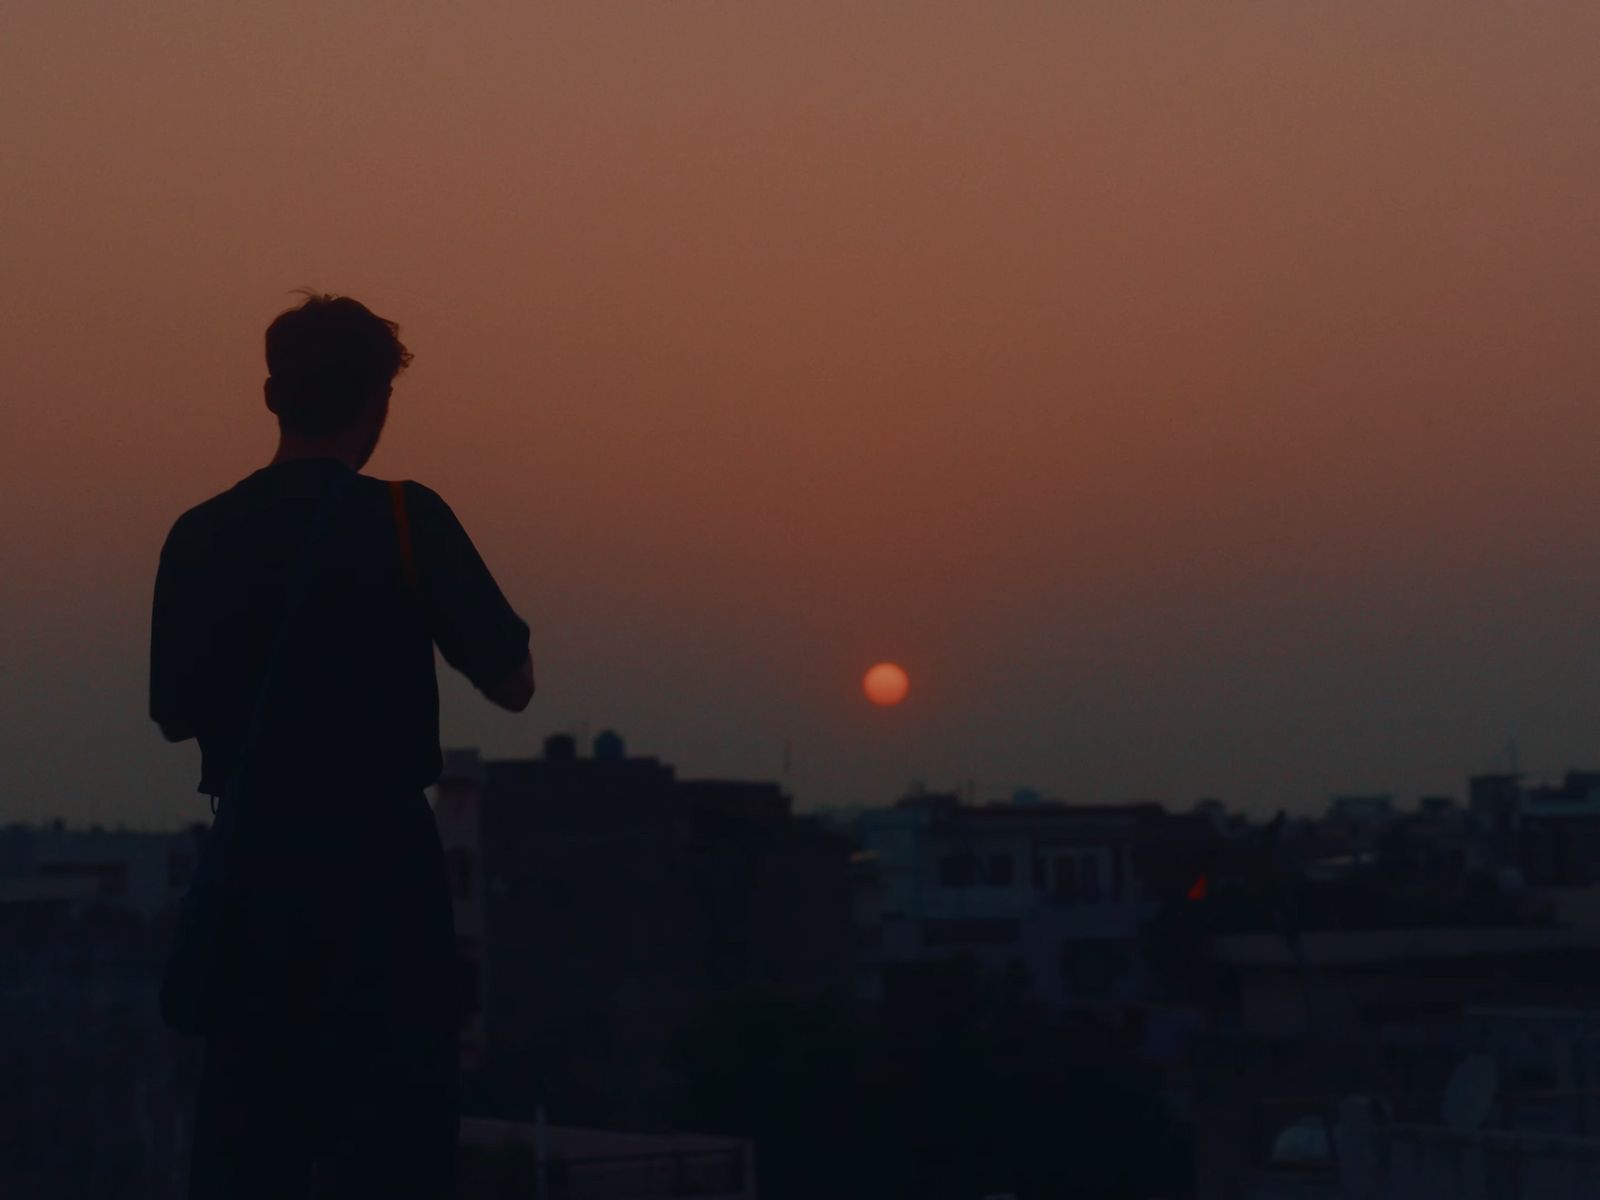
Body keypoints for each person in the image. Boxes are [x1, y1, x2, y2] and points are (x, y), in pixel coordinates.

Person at [149, 292, 534, 1198]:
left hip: (255, 869)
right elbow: (513, 683)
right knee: (394, 1145)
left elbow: (173, 711)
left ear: (272, 396)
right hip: (381, 878)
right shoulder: (405, 519)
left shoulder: (199, 535)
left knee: (250, 1142)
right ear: (378, 402)